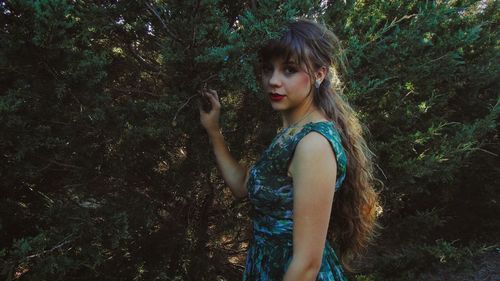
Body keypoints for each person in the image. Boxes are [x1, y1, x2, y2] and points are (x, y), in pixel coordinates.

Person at [199, 18, 381, 281]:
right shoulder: (291, 133)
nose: (273, 81)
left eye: (289, 70)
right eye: (268, 69)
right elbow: (242, 185)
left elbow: (307, 264)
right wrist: (214, 130)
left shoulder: (313, 145)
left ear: (320, 74)